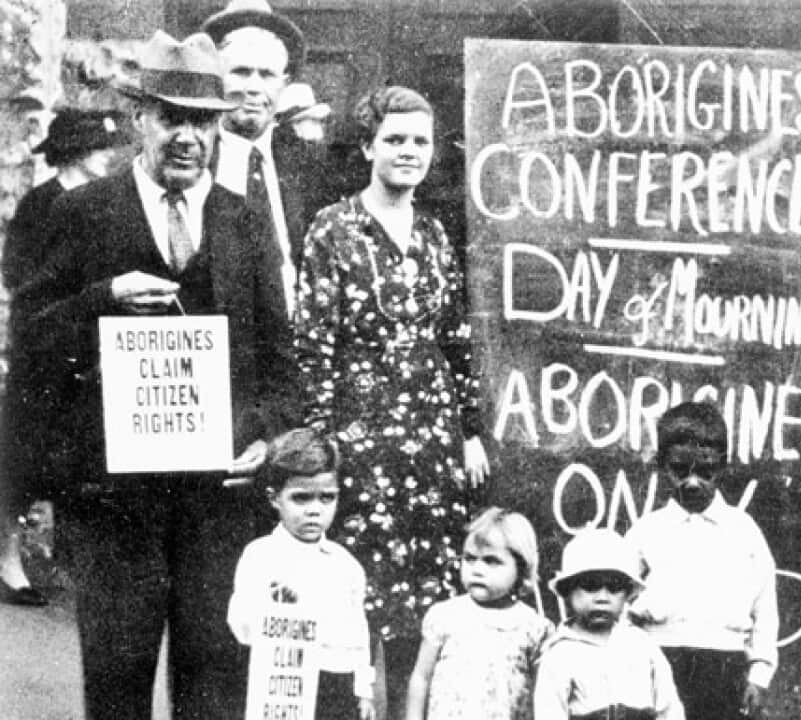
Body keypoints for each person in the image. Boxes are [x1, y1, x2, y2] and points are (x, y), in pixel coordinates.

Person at [13, 30, 297, 719]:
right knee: (117, 683)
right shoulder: (81, 213)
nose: (187, 137)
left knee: (214, 681)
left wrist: (263, 436)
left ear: (221, 125)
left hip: (218, 503)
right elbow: (31, 342)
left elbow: (281, 364)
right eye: (172, 117)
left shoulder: (243, 222)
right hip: (114, 504)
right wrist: (101, 298)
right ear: (140, 117)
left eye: (202, 120)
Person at [293, 84, 490, 720]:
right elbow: (314, 342)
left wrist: (468, 431)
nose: (409, 152)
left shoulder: (434, 234)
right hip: (360, 438)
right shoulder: (333, 227)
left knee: (421, 604)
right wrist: (323, 443)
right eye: (396, 140)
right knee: (356, 599)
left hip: (430, 442)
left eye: (421, 141)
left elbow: (454, 337)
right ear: (369, 147)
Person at [1, 108, 130, 607]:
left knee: (76, 458)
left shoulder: (102, 203)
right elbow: (22, 279)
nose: (110, 158)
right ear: (78, 152)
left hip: (89, 350)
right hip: (44, 351)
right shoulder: (41, 204)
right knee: (23, 460)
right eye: (102, 150)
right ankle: (9, 560)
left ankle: (69, 559)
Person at [625, 401, 777, 720]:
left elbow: (765, 609)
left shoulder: (743, 531)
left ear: (722, 466)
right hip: (658, 662)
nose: (692, 483)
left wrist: (759, 674)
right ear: (661, 464)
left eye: (705, 471)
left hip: (724, 670)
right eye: (680, 470)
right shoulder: (647, 531)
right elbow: (619, 599)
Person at [227, 428, 375, 720]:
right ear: (274, 498)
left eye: (326, 498)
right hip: (283, 681)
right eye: (301, 498)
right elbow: (240, 625)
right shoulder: (260, 556)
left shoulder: (345, 565)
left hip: (336, 684)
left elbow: (358, 631)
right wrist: (275, 609)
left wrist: (364, 689)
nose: (314, 510)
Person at [202, 0, 329, 313]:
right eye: (241, 73)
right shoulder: (193, 159)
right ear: (215, 78)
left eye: (267, 75)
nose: (255, 88)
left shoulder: (308, 164)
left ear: (285, 84)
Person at [404, 507, 552, 720]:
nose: (477, 569)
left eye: (492, 561)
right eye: (470, 558)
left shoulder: (534, 627)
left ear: (520, 569)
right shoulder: (446, 616)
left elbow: (545, 694)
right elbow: (421, 677)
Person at [537, 528, 685, 720]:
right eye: (590, 586)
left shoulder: (641, 645)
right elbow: (549, 713)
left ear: (627, 594)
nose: (602, 598)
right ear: (568, 592)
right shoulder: (560, 654)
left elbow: (668, 707)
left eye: (614, 588)